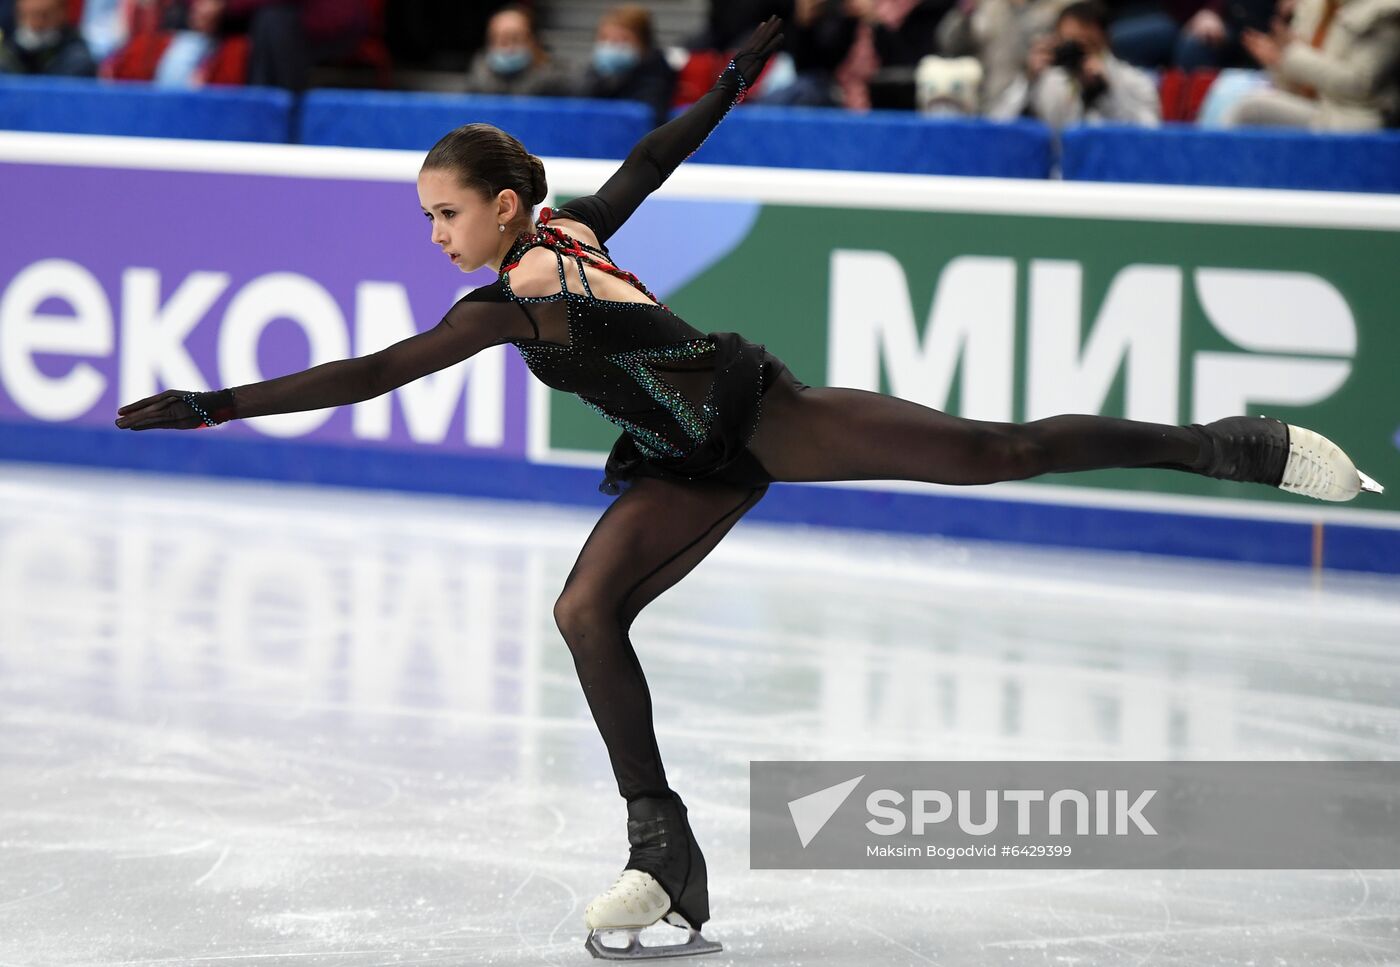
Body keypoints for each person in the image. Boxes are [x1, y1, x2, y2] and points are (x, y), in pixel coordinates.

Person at [113, 14, 1381, 960]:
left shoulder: (533, 275)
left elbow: (373, 366)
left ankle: (1234, 447)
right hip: (677, 468)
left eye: (443, 213)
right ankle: (661, 858)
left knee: (993, 449)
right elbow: (637, 169)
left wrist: (216, 402)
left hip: (758, 418)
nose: (432, 234)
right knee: (581, 612)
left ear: (506, 207)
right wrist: (722, 82)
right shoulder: (537, 263)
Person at [1223, 0, 1400, 130]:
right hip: (1317, 106)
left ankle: (1212, 177)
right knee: (1237, 96)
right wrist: (1277, 62)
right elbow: (1296, 80)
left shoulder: (1383, 13)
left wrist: (1288, 58)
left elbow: (1360, 85)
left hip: (1350, 116)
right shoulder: (1315, 7)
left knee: (1251, 110)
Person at [990, 0, 1161, 126]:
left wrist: (1105, 92)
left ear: (1106, 41)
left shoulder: (1135, 82)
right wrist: (1028, 83)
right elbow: (998, 126)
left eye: (1085, 45)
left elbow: (1147, 138)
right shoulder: (1046, 81)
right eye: (1069, 44)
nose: (1076, 53)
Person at [581, 4, 676, 128]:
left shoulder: (657, 78)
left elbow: (649, 121)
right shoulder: (592, 76)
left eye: (622, 40)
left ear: (643, 44)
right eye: (604, 38)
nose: (611, 46)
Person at [463, 5, 571, 97]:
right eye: (500, 40)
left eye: (515, 39)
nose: (508, 48)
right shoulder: (479, 75)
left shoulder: (557, 80)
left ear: (533, 40)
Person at [0, 0, 97, 76]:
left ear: (62, 13)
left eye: (44, 16)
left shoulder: (78, 59)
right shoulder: (6, 56)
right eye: (28, 15)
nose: (36, 25)